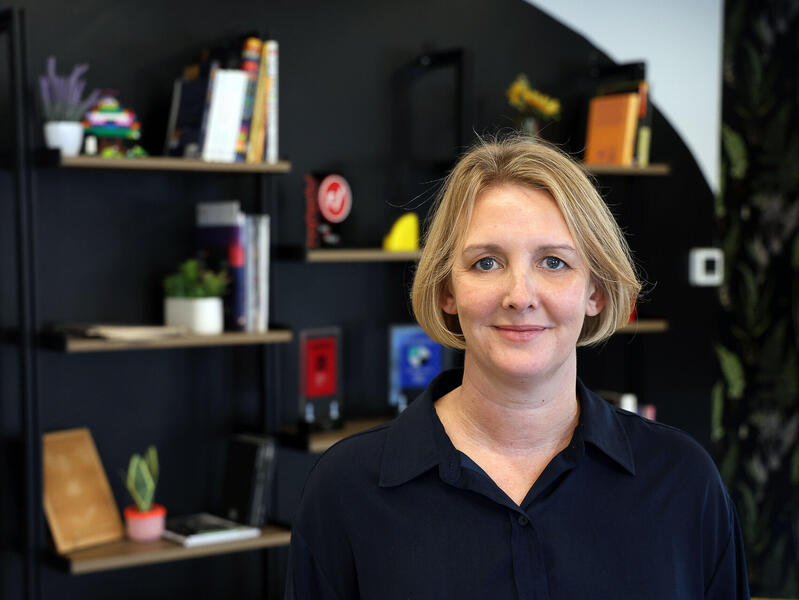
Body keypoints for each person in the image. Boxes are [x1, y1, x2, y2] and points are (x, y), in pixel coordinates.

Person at [285, 136, 750, 599]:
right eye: (486, 263)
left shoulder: (684, 482)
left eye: (554, 262)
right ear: (447, 290)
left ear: (595, 291)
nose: (520, 296)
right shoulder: (345, 490)